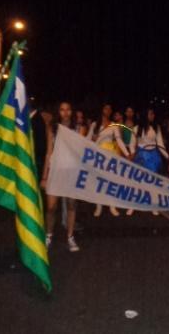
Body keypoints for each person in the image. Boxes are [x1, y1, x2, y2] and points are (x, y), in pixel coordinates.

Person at [41, 101, 80, 252]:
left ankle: (70, 236)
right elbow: (48, 152)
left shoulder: (78, 128)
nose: (65, 112)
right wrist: (44, 176)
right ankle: (48, 235)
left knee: (71, 205)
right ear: (59, 112)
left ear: (72, 111)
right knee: (51, 207)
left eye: (68, 109)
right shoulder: (53, 128)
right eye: (62, 109)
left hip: (71, 171)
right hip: (55, 171)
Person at [87, 104, 130, 217]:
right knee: (98, 181)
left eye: (110, 109)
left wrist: (127, 154)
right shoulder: (94, 125)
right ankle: (99, 206)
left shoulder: (113, 125)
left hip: (110, 155)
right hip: (98, 156)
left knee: (111, 180)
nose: (108, 110)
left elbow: (119, 140)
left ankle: (112, 205)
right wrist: (92, 139)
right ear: (101, 110)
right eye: (106, 108)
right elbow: (87, 140)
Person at [134, 108, 168, 173]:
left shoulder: (156, 127)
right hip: (141, 156)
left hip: (154, 156)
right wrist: (131, 154)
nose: (153, 115)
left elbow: (160, 144)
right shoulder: (137, 128)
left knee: (152, 174)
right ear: (145, 115)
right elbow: (132, 145)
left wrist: (167, 156)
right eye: (151, 114)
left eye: (153, 114)